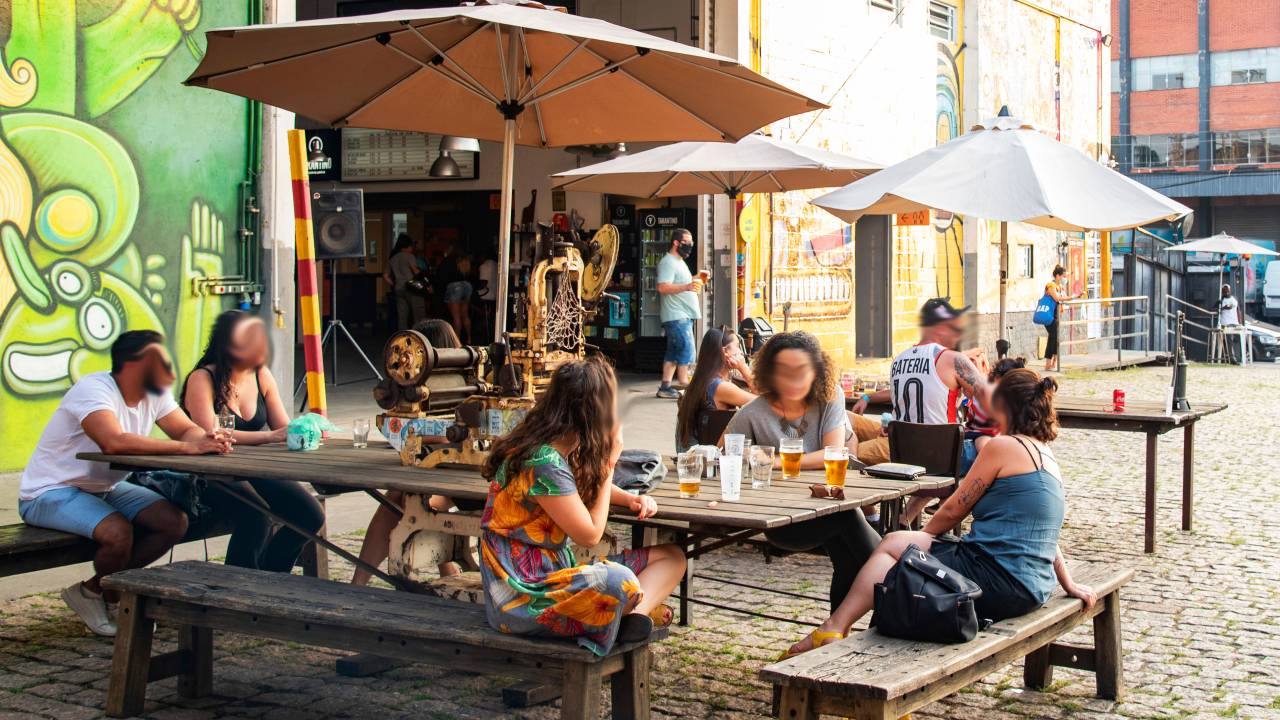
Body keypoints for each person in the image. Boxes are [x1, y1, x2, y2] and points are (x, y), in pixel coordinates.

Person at [781, 368, 1096, 658]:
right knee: (897, 549)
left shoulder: (1003, 447)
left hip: (998, 579)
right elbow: (1044, 531)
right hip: (1032, 587)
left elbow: (956, 507)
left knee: (895, 547)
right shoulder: (1044, 453)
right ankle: (836, 628)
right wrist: (1068, 583)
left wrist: (922, 539)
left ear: (1003, 406)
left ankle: (835, 629)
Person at [17, 331, 229, 636]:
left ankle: (91, 591)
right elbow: (113, 442)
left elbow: (184, 431)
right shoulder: (93, 389)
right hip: (50, 491)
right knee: (118, 533)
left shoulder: (155, 392)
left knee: (173, 522)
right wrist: (188, 448)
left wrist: (207, 439)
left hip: (105, 489)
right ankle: (117, 599)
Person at [479, 358, 687, 655]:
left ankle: (635, 617)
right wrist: (611, 462)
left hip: (556, 574)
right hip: (524, 597)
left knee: (673, 556)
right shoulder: (544, 461)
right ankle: (625, 615)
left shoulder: (554, 445)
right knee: (621, 581)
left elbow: (575, 488)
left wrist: (629, 499)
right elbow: (589, 535)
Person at [724, 332, 882, 611]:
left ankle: (838, 629)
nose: (793, 380)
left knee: (848, 555)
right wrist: (743, 457)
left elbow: (834, 452)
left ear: (817, 371)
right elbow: (721, 453)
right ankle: (897, 576)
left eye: (802, 371)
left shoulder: (829, 397)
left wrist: (772, 462)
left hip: (826, 509)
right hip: (781, 520)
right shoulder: (752, 412)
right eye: (784, 372)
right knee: (849, 522)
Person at [182, 310, 326, 573]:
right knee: (256, 515)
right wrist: (270, 437)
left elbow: (283, 427)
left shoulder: (261, 374)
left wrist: (306, 428)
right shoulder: (202, 378)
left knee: (310, 514)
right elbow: (210, 434)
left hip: (253, 470)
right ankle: (236, 587)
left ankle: (272, 576)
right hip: (210, 474)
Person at [351, 318, 470, 586]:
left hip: (463, 478)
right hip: (435, 475)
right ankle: (447, 572)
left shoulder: (461, 388)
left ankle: (360, 582)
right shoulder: (423, 391)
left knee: (405, 502)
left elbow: (448, 438)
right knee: (401, 498)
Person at [852, 298, 993, 524]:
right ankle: (956, 512)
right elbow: (988, 398)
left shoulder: (898, 361)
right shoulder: (952, 359)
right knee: (986, 446)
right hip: (941, 459)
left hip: (902, 453)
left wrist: (867, 396)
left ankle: (904, 518)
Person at [674, 327, 756, 452]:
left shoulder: (703, 380)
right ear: (725, 351)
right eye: (737, 346)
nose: (741, 352)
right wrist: (744, 368)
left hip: (697, 455)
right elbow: (765, 404)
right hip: (712, 459)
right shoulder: (720, 387)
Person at [655, 229, 702, 399]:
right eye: (687, 242)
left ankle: (665, 387)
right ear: (676, 243)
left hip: (680, 315)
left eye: (691, 243)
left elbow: (683, 283)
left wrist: (697, 278)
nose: (690, 246)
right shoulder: (668, 262)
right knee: (687, 351)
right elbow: (662, 287)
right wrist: (688, 287)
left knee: (674, 353)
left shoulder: (679, 262)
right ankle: (685, 389)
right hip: (677, 315)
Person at [965, 356, 1027, 453]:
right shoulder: (983, 387)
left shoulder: (1011, 396)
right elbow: (967, 391)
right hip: (978, 432)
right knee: (983, 444)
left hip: (999, 433)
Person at [1041, 265, 1081, 372]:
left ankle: (1052, 362)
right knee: (1054, 336)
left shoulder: (1060, 287)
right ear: (1058, 276)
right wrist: (1072, 297)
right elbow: (1058, 298)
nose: (1065, 278)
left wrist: (1076, 296)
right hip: (1049, 315)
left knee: (1054, 337)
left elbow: (1064, 299)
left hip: (1057, 315)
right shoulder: (1051, 286)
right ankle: (1049, 362)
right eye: (1064, 276)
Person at [384, 234, 425, 330]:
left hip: (399, 288)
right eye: (411, 246)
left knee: (402, 318)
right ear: (407, 247)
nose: (412, 249)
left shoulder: (393, 258)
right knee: (419, 316)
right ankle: (419, 337)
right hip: (412, 287)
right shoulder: (409, 256)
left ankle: (403, 338)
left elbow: (385, 276)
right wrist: (424, 283)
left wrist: (394, 284)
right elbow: (416, 272)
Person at [439, 252, 473, 344]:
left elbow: (443, 277)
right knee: (465, 315)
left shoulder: (451, 263)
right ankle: (469, 338)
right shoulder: (466, 265)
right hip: (467, 286)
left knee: (456, 316)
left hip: (455, 287)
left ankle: (456, 341)